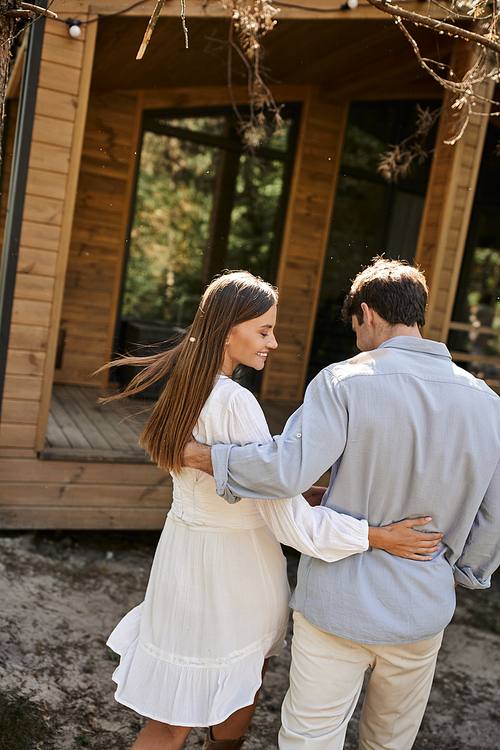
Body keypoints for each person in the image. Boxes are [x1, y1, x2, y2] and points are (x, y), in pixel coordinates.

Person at [102, 270, 440, 750]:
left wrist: (308, 494)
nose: (275, 342)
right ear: (226, 330)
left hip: (182, 557)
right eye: (264, 331)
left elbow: (253, 493)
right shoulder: (237, 403)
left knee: (172, 714)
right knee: (238, 688)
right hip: (235, 571)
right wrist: (377, 536)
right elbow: (290, 525)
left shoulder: (186, 386)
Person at [183, 259, 500, 750]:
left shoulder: (342, 381)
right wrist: (456, 573)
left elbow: (286, 470)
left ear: (367, 314)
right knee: (389, 743)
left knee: (310, 738)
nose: (358, 341)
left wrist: (205, 457)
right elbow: (492, 514)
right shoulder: (487, 402)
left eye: (356, 328)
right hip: (422, 609)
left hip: (337, 606)